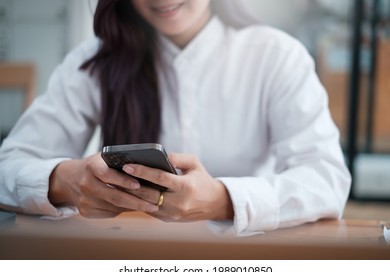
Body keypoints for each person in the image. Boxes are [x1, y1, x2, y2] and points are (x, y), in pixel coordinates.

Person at [0, 0, 351, 236]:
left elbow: (326, 179)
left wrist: (222, 199)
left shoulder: (277, 57)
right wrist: (68, 181)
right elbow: (8, 166)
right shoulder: (93, 62)